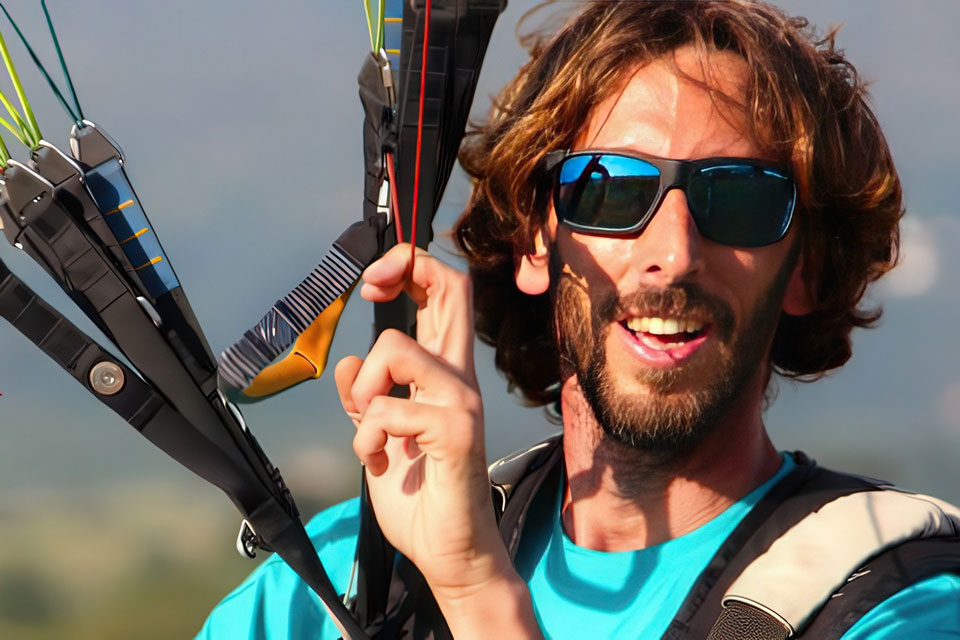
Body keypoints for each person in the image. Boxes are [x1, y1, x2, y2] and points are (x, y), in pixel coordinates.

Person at [198, 2, 960, 638]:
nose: (675, 252)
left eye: (741, 198)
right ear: (536, 238)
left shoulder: (896, 605)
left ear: (807, 267)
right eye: (612, 190)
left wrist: (474, 587)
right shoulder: (348, 586)